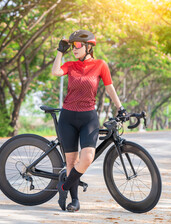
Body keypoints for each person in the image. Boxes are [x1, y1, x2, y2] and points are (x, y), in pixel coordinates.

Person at [51, 30, 126, 212]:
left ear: (89, 47)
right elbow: (55, 72)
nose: (74, 49)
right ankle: (74, 201)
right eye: (72, 45)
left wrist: (120, 107)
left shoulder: (100, 65)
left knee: (86, 158)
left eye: (77, 45)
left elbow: (109, 88)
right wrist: (60, 51)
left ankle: (63, 187)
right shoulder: (70, 65)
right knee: (71, 162)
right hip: (67, 117)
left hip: (88, 118)